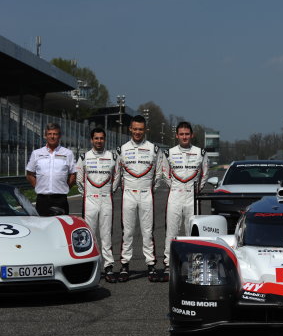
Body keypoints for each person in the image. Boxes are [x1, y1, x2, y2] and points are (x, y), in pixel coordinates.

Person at [116, 115, 163, 282]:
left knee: (148, 231)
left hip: (146, 194)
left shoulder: (154, 149)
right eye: (135, 129)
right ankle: (124, 266)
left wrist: (150, 189)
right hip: (128, 194)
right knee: (127, 231)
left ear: (145, 130)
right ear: (130, 129)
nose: (137, 132)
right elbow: (117, 174)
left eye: (140, 129)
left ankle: (151, 265)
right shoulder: (121, 149)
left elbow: (159, 174)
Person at [161, 122, 208, 281]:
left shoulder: (200, 152)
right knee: (171, 232)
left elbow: (204, 175)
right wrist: (176, 187)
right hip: (175, 195)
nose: (184, 137)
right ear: (177, 135)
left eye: (187, 134)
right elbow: (166, 175)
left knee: (193, 232)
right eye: (181, 134)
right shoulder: (169, 153)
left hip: (192, 196)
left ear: (192, 135)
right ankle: (168, 263)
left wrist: (195, 190)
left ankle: (195, 264)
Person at [76, 128, 120, 283]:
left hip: (106, 199)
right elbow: (79, 180)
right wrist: (87, 195)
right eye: (96, 138)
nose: (99, 141)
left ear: (105, 140)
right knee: (89, 235)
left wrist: (109, 192)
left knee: (106, 234)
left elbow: (116, 178)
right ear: (91, 140)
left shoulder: (113, 157)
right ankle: (88, 266)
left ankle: (108, 267)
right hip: (90, 200)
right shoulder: (84, 157)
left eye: (101, 138)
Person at [26, 123, 76, 216]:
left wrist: (65, 187)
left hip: (60, 200)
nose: (52, 136)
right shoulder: (36, 153)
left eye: (55, 134)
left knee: (61, 228)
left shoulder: (68, 153)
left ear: (59, 136)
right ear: (45, 136)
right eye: (49, 134)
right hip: (42, 200)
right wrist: (39, 186)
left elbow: (73, 175)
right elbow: (29, 174)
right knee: (41, 228)